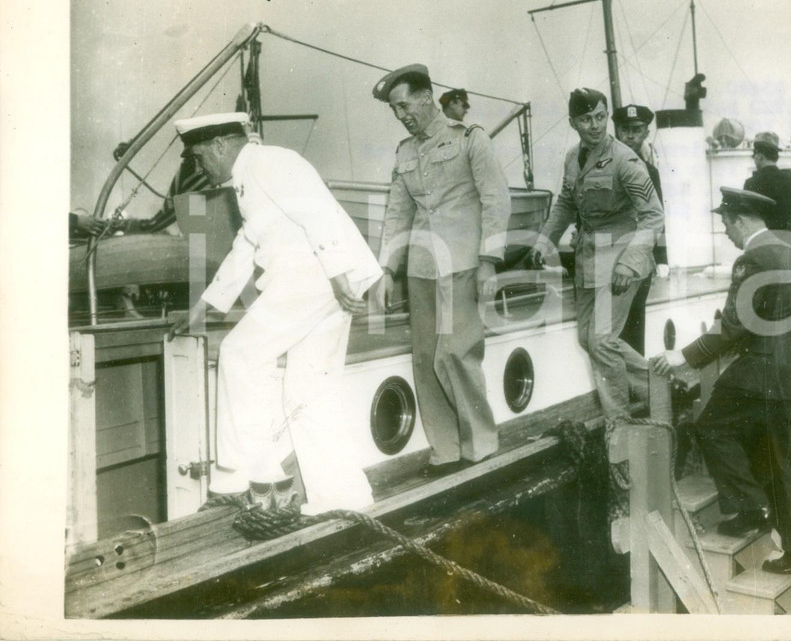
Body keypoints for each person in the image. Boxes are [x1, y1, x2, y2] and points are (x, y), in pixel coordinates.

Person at [167, 112, 383, 515]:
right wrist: (203, 307)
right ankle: (343, 495)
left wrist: (336, 274)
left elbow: (317, 210)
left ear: (219, 145)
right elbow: (246, 244)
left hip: (316, 278)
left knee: (238, 353)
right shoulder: (249, 178)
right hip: (322, 280)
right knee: (307, 391)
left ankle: (237, 478)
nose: (199, 167)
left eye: (199, 157)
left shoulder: (271, 162)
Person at [651, 187, 791, 575]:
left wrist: (681, 356)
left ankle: (752, 508)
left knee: (711, 426)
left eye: (726, 223)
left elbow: (734, 324)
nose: (726, 232)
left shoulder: (752, 258)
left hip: (763, 372)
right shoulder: (789, 254)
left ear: (742, 220)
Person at [371, 65, 510, 476]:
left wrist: (489, 262)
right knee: (426, 359)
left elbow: (496, 200)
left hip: (463, 263)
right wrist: (387, 269)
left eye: (404, 105)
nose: (401, 115)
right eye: (394, 110)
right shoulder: (405, 151)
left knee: (457, 355)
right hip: (422, 267)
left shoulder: (470, 138)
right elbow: (398, 212)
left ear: (427, 96)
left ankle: (480, 446)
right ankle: (445, 450)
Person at [534, 88, 664, 418]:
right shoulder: (572, 158)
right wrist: (545, 239)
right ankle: (661, 387)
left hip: (620, 260)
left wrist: (631, 263)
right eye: (586, 119)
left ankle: (619, 420)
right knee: (586, 338)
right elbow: (565, 202)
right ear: (573, 122)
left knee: (603, 340)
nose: (595, 125)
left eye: (600, 117)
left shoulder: (626, 160)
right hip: (589, 260)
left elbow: (653, 215)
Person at [612, 103, 669, 355]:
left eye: (636, 129)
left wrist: (662, 258)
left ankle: (634, 390)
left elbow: (657, 218)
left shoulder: (651, 172)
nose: (630, 135)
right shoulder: (602, 166)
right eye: (625, 129)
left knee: (634, 325)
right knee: (610, 329)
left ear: (646, 131)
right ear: (617, 131)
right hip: (608, 255)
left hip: (638, 261)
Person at [743, 131, 791, 251]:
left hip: (762, 247)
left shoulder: (751, 183)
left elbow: (748, 217)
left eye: (754, 157)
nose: (754, 160)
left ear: (760, 156)